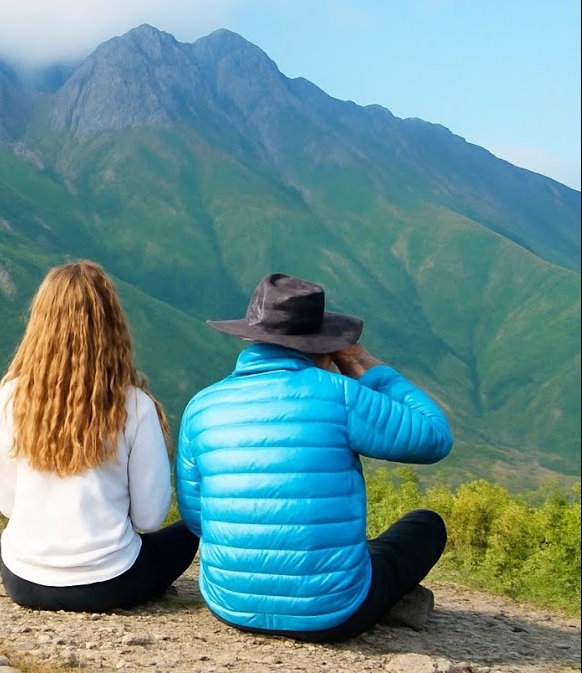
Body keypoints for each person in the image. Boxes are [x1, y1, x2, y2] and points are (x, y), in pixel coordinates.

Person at [178, 272, 452, 641]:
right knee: (426, 526)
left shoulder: (201, 407)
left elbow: (197, 519)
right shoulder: (340, 394)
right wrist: (365, 366)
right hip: (332, 614)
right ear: (324, 346)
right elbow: (434, 437)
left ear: (250, 337)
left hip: (231, 604)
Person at [0, 260, 199, 612]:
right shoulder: (134, 405)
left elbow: (7, 505)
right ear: (112, 326)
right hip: (110, 583)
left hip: (23, 580)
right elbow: (149, 519)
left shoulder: (11, 397)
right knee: (191, 529)